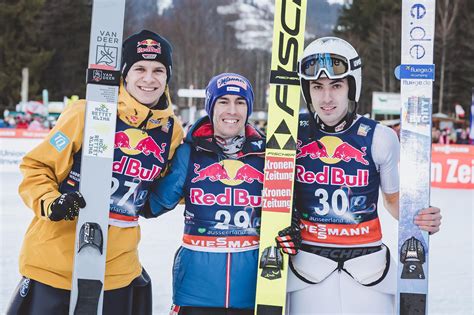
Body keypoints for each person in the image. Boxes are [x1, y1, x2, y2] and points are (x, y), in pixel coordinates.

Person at [6, 29, 184, 315]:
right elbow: (37, 167)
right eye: (139, 68)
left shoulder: (171, 131)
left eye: (158, 70)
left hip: (118, 271)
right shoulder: (85, 113)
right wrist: (52, 203)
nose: (149, 78)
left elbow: (177, 186)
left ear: (168, 76)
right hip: (56, 264)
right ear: (125, 73)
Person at [281, 37, 442, 314]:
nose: (327, 98)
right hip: (307, 267)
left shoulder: (379, 137)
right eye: (317, 87)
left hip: (369, 270)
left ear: (351, 86)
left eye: (336, 85)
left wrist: (418, 216)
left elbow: (392, 201)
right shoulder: (290, 132)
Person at [143, 73, 266, 315]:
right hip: (195, 291)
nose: (232, 110)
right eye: (223, 101)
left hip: (253, 289)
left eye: (240, 102)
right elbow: (153, 205)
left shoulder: (265, 156)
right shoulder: (189, 152)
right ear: (211, 106)